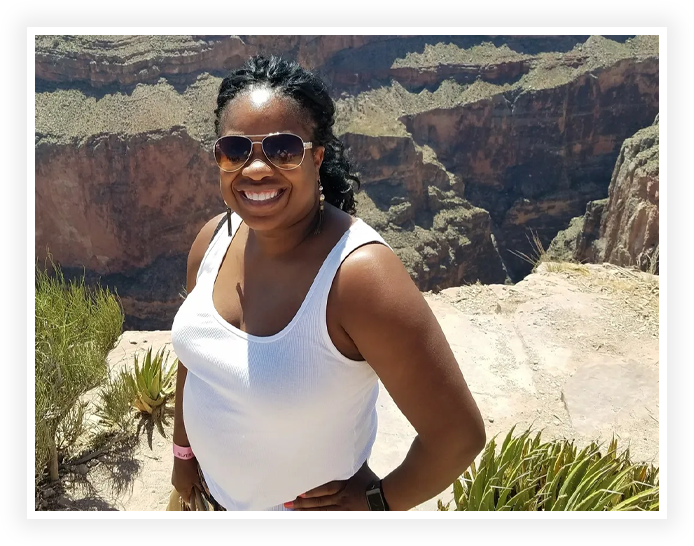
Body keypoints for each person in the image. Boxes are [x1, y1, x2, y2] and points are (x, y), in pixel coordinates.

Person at [170, 55, 486, 511]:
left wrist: (378, 500)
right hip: (210, 499)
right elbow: (193, 363)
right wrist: (183, 455)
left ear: (316, 157)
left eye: (283, 149)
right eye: (236, 150)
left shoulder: (358, 278)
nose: (255, 169)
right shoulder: (212, 240)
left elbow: (458, 437)